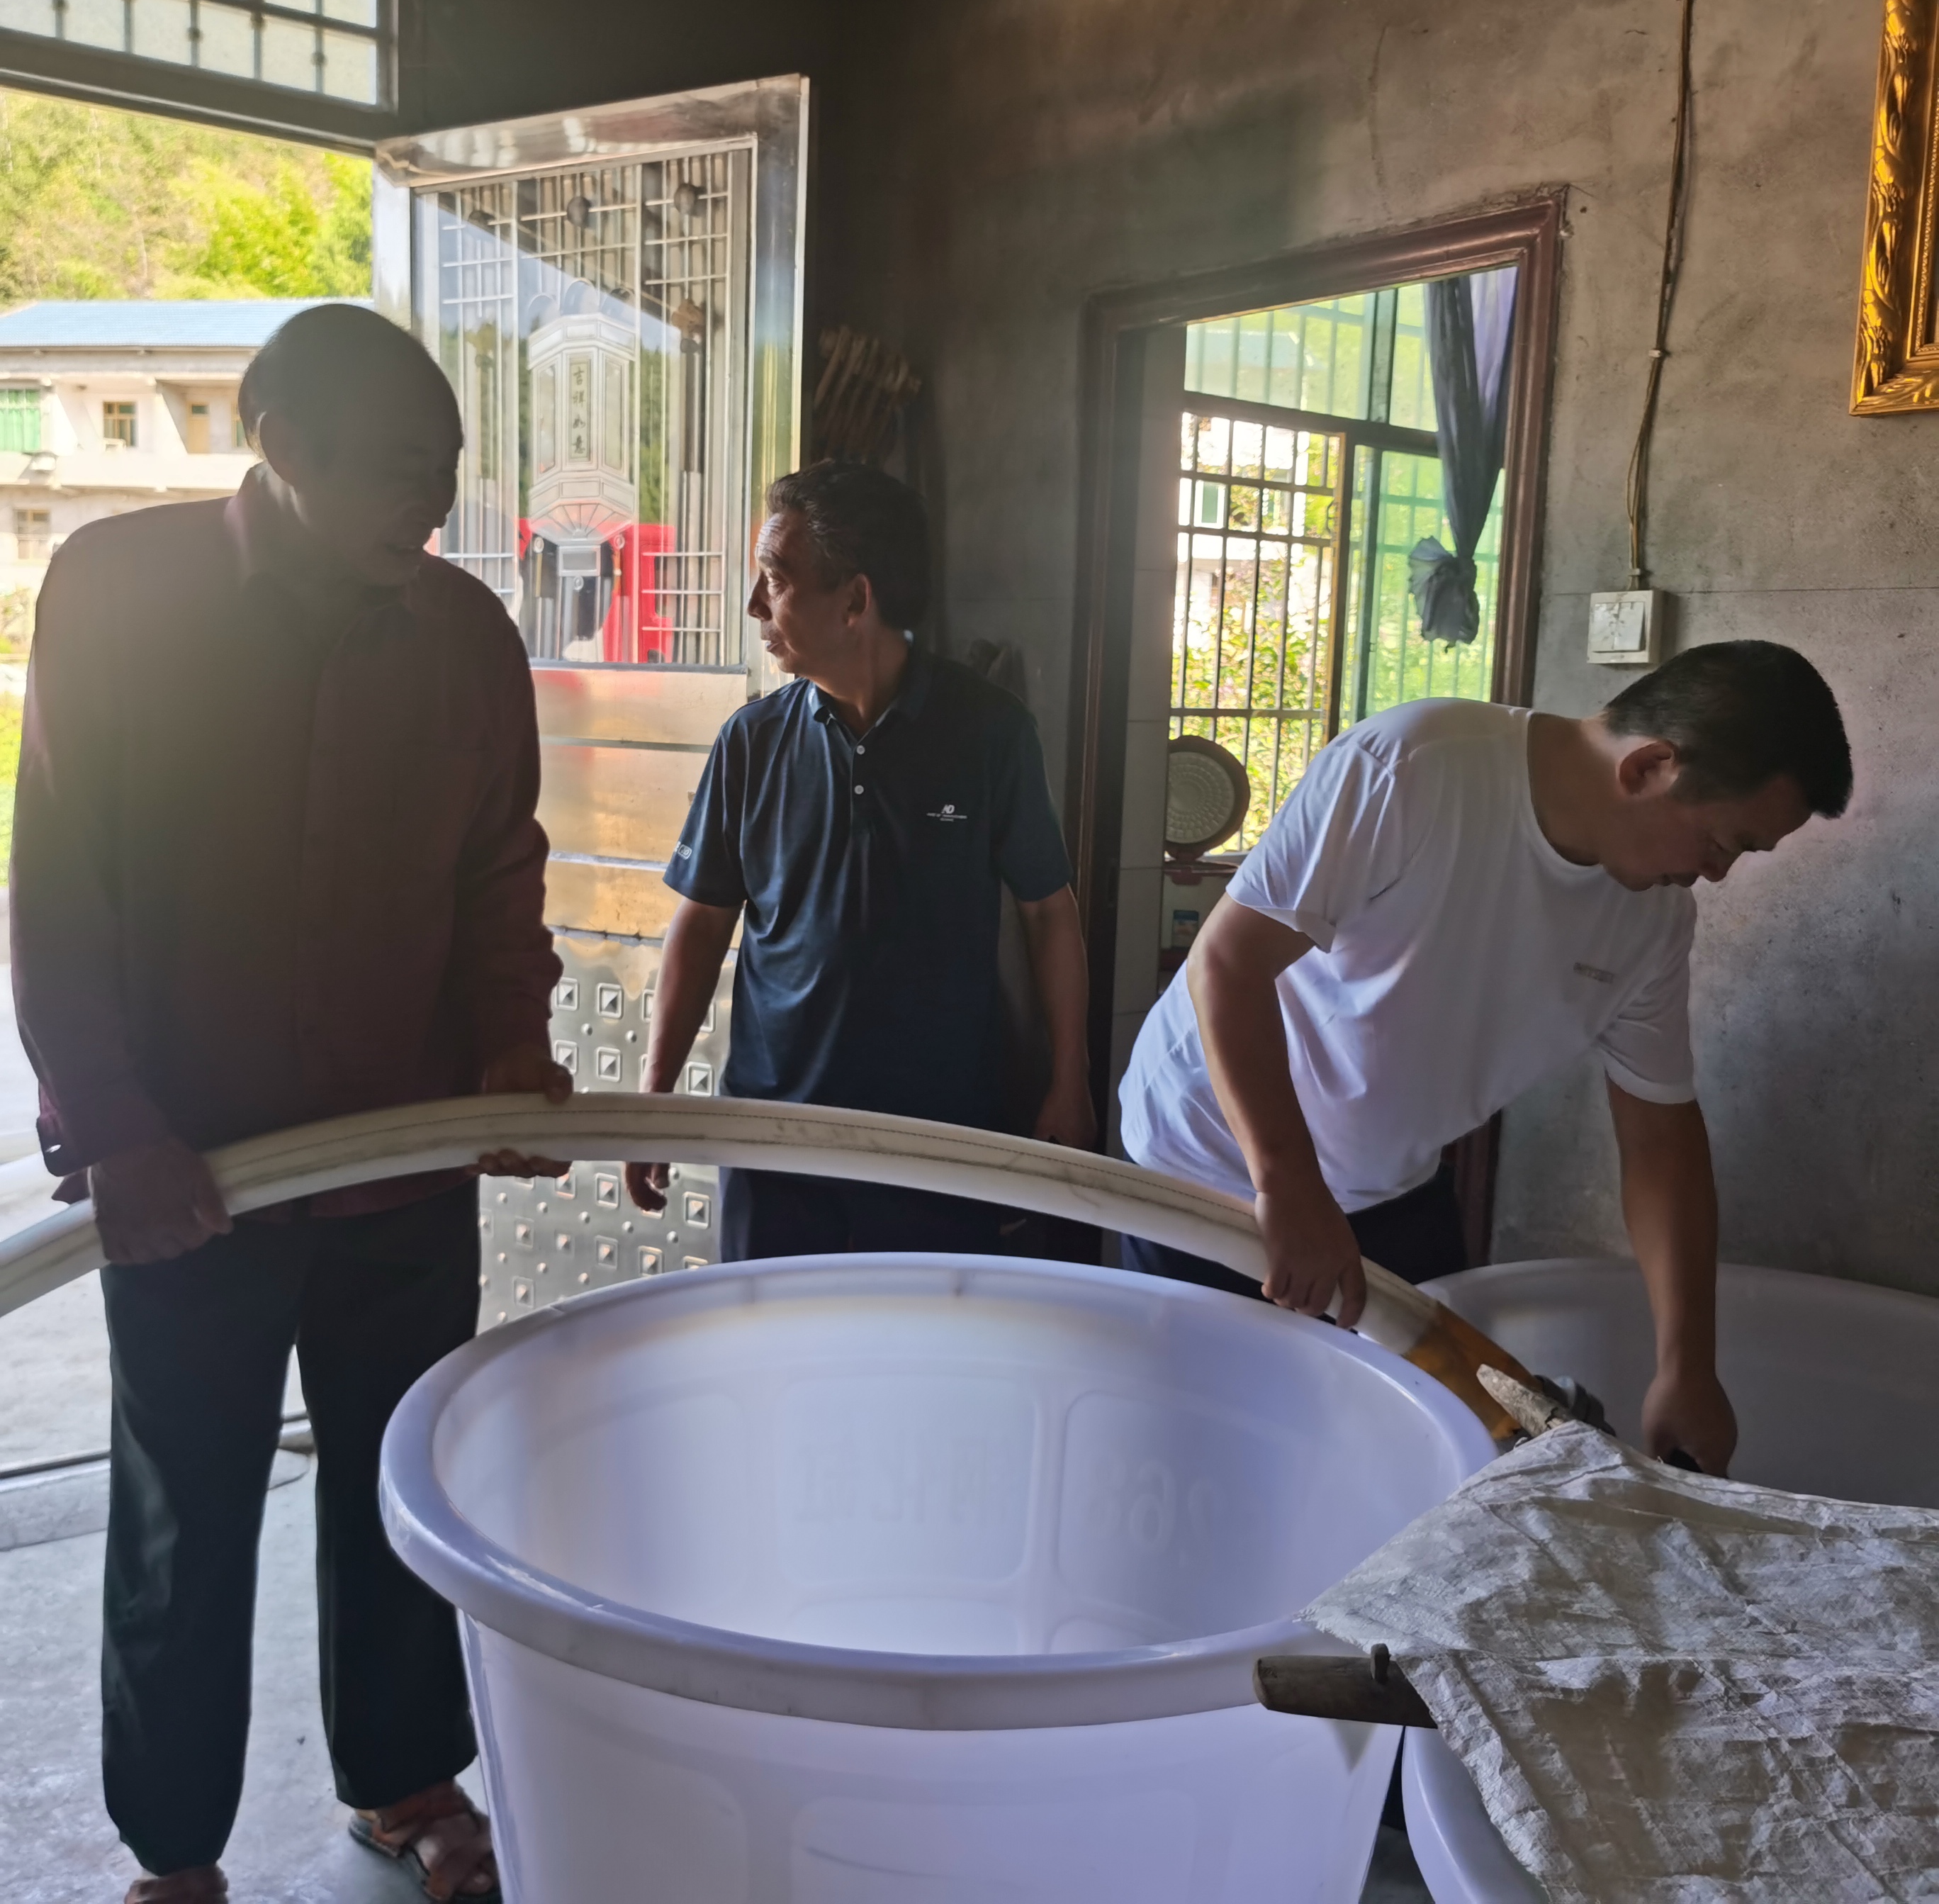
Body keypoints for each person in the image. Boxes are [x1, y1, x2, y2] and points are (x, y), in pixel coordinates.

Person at [10, 303, 571, 1904]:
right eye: (401, 464)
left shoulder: (465, 634)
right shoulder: (122, 592)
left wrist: (509, 1054)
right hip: (192, 1175)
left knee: (404, 1480)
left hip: (404, 1164)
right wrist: (113, 1125)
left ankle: (403, 1775)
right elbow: (59, 880)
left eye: (447, 466)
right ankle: (174, 1849)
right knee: (185, 1508)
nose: (433, 500)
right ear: (282, 444)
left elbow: (497, 871)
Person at [1117, 642, 1853, 1474]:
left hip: (1390, 1184)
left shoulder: (1653, 922)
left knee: (1426, 1455)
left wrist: (1687, 1365)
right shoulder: (1415, 768)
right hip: (1214, 1165)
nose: (1716, 874)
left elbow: (1660, 1135)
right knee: (1209, 1451)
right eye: (1724, 842)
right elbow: (1228, 964)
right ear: (1650, 767)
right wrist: (1287, 1181)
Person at [624, 461, 1093, 1255]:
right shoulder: (752, 741)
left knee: (915, 1334)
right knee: (770, 1332)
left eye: (776, 580)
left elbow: (1049, 913)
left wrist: (1068, 1081)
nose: (754, 605)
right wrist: (655, 1094)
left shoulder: (990, 732)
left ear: (855, 600)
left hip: (939, 1143)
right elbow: (701, 925)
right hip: (774, 1140)